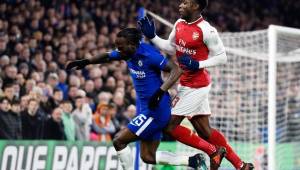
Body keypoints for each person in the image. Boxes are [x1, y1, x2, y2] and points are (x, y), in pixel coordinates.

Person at [66, 28, 207, 169]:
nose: (118, 50)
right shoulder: (126, 53)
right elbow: (107, 56)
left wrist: (160, 92)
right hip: (149, 108)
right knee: (148, 156)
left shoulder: (149, 55)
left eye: (120, 47)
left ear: (132, 45)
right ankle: (193, 161)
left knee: (119, 141)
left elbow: (176, 70)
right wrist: (86, 61)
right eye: (117, 46)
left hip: (156, 109)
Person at [138, 0, 254, 169]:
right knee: (205, 131)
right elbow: (171, 48)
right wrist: (153, 37)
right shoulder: (179, 23)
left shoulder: (207, 30)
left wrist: (197, 64)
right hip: (185, 83)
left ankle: (213, 151)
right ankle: (240, 165)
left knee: (169, 126)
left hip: (196, 86)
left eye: (185, 3)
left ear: (196, 6)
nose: (180, 5)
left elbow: (222, 57)